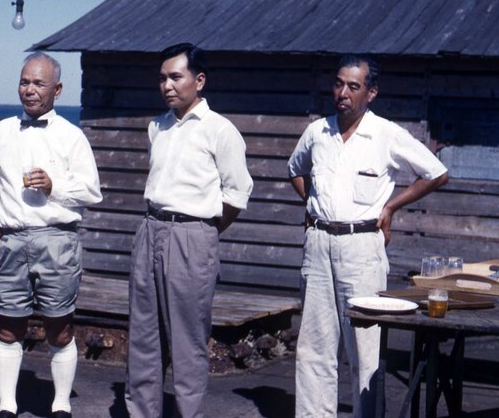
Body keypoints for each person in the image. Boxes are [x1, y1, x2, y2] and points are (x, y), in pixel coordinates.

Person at [287, 54, 449, 417]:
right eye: (338, 84)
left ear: (371, 92)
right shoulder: (318, 131)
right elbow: (295, 169)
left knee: (365, 345)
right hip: (317, 245)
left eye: (353, 86)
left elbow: (436, 173)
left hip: (361, 247)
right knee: (314, 346)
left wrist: (390, 207)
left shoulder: (386, 134)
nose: (343, 93)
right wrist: (313, 203)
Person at [0, 52, 102, 418]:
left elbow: (92, 191)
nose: (29, 90)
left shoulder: (72, 137)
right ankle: (7, 406)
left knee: (59, 327)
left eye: (38, 83)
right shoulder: (1, 132)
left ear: (57, 89)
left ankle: (60, 404)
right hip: (10, 241)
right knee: (9, 326)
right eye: (24, 82)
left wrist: (55, 185)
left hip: (57, 241)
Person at [125, 43, 253, 418]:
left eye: (176, 77)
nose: (167, 85)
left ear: (199, 80)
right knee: (144, 340)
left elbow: (237, 193)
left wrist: (203, 232)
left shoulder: (220, 130)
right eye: (162, 78)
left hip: (193, 237)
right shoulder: (158, 126)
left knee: (187, 344)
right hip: (150, 231)